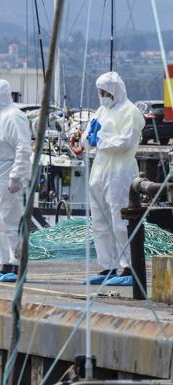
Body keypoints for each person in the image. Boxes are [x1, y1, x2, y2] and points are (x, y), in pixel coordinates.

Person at [80, 72, 144, 286]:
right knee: (100, 221)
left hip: (121, 170)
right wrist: (88, 139)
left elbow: (126, 141)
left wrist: (100, 140)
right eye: (100, 92)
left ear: (116, 90)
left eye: (106, 92)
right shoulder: (102, 110)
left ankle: (128, 267)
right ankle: (107, 266)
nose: (103, 96)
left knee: (120, 220)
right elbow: (87, 139)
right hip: (100, 169)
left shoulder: (131, 111)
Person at [0, 80, 33, 282]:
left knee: (12, 222)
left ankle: (19, 266)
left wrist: (16, 175)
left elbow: (23, 147)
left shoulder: (14, 116)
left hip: (7, 176)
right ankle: (6, 263)